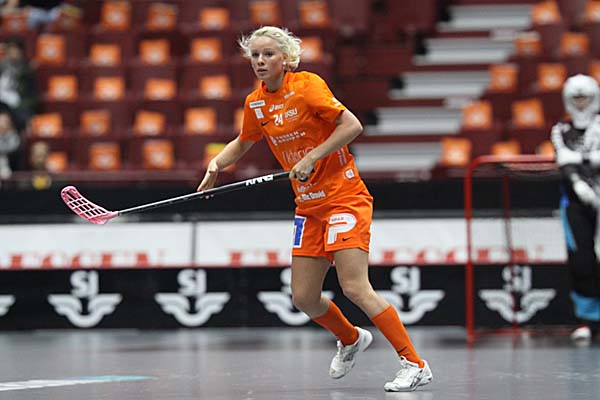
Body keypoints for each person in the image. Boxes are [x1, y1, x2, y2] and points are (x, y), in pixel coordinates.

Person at [197, 26, 433, 392]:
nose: (260, 61)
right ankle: (351, 338)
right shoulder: (255, 103)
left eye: (268, 54)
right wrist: (217, 164)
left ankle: (414, 363)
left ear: (286, 58)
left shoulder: (307, 86)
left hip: (344, 197)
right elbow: (244, 141)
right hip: (308, 207)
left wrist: (311, 157)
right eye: (255, 55)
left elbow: (352, 125)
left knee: (354, 286)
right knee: (303, 297)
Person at [551, 73, 600, 346]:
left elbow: (572, 158)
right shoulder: (560, 130)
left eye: (586, 98)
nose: (581, 104)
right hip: (574, 203)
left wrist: (579, 158)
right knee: (581, 261)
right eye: (576, 98)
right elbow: (563, 161)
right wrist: (579, 182)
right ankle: (587, 318)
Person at [0, 36, 39, 130]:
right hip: (1, 104)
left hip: (18, 108)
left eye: (16, 50)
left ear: (21, 52)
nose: (13, 53)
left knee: (24, 117)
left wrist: (19, 104)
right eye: (10, 50)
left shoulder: (27, 71)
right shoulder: (1, 67)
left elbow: (33, 97)